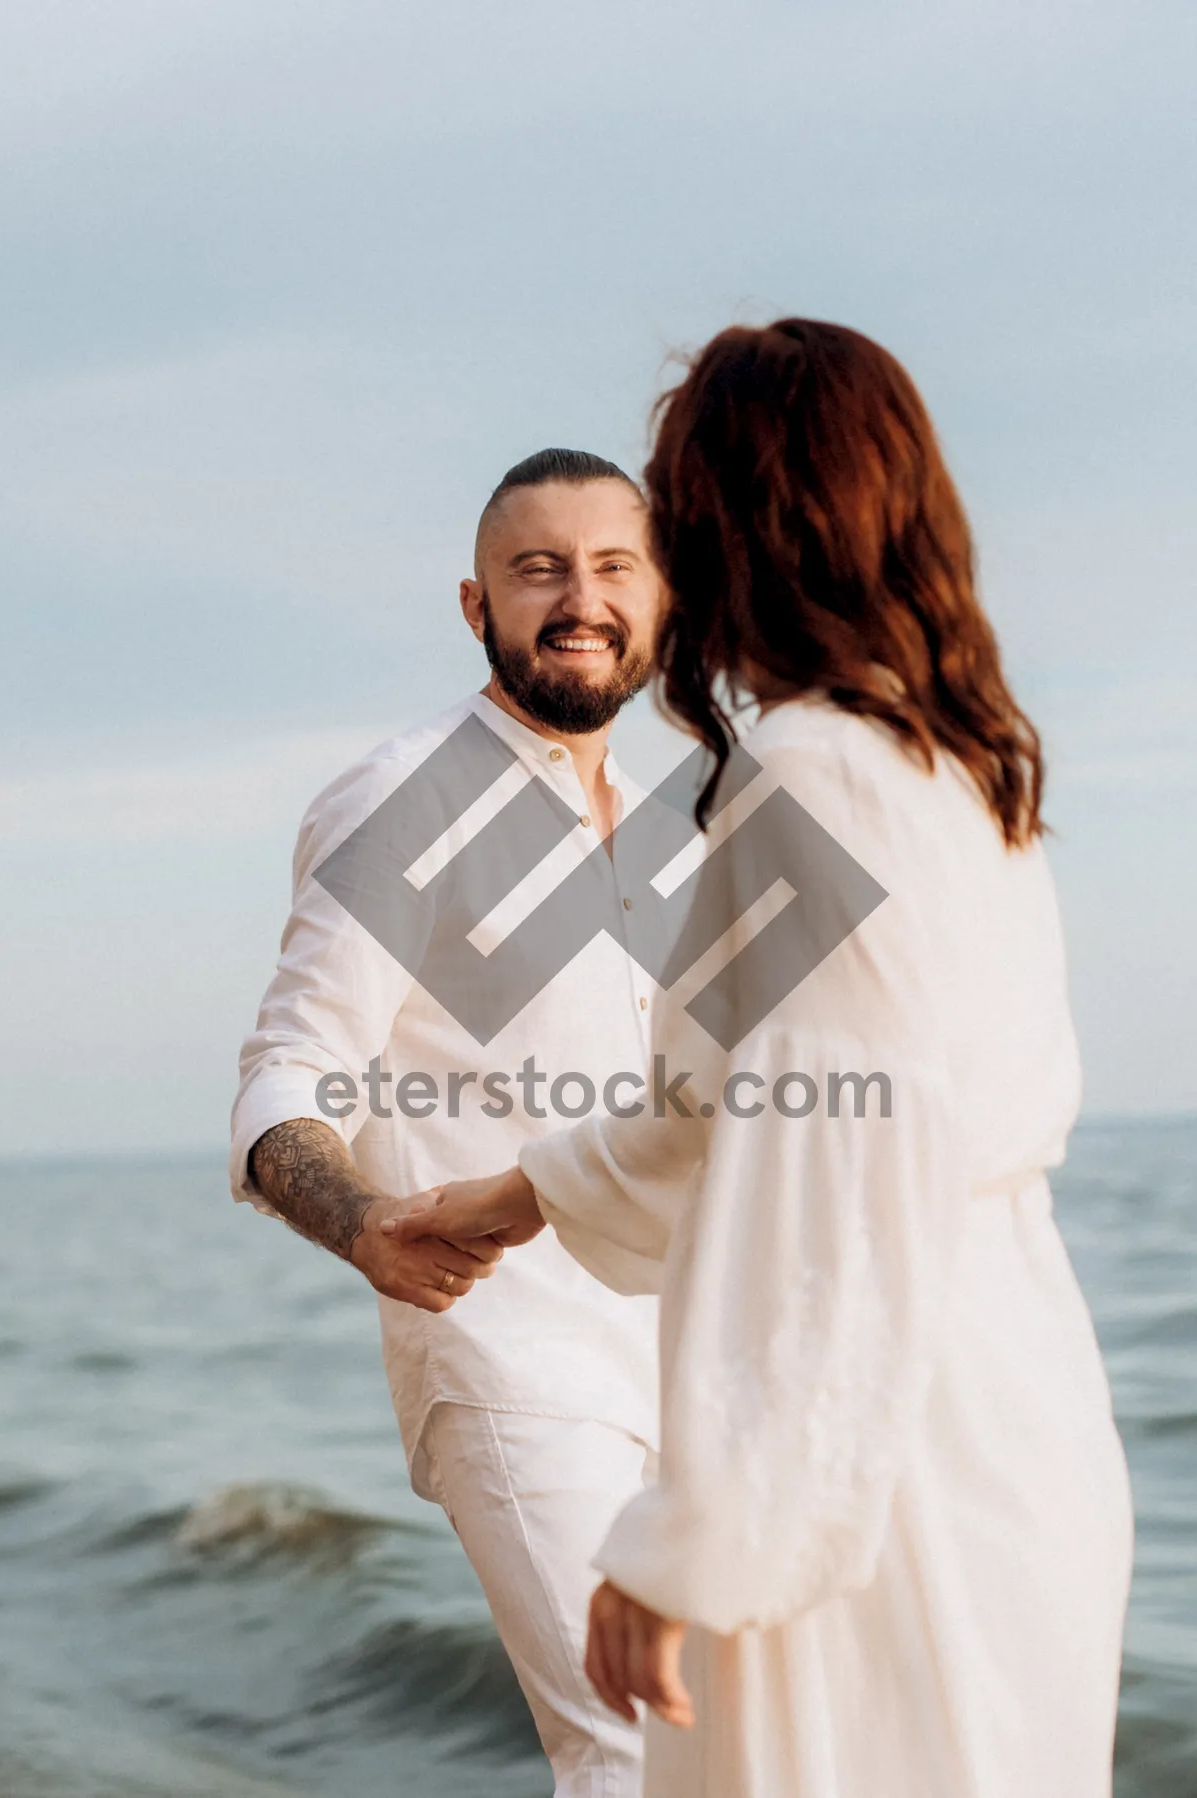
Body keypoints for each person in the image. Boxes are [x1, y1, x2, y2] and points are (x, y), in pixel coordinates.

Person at [387, 324, 1136, 1797]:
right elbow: (728, 1106)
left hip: (888, 1446)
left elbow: (831, 1186)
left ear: (741, 519)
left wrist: (690, 1544)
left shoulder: (810, 776)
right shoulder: (955, 764)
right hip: (1011, 1397)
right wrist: (519, 1195)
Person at [230, 447, 669, 1797]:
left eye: (612, 567)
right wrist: (360, 1220)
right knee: (634, 1748)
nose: (577, 598)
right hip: (509, 1358)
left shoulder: (680, 816)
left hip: (692, 1361)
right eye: (537, 569)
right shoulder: (399, 797)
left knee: (749, 1752)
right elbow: (282, 1073)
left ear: (665, 601)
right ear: (476, 604)